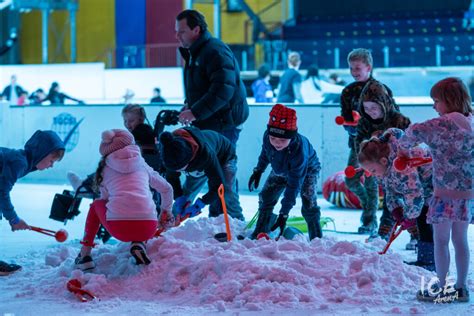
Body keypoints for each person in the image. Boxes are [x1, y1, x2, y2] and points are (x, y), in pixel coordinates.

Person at [397, 77, 473, 303]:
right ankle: (461, 287)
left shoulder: (438, 125)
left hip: (444, 194)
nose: (434, 106)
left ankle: (442, 287)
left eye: (436, 100)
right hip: (468, 194)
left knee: (441, 240)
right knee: (461, 240)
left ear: (448, 100)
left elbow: (409, 136)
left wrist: (403, 153)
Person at [75, 129, 174, 270]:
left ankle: (85, 255)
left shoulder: (105, 169)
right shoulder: (143, 165)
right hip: (148, 227)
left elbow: (105, 200)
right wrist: (166, 211)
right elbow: (167, 189)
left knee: (96, 205)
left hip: (119, 229)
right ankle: (139, 243)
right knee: (144, 204)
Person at [340, 49, 403, 236]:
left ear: (369, 67)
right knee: (350, 181)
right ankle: (369, 210)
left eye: (358, 68)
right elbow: (346, 119)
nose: (354, 72)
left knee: (371, 182)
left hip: (377, 145)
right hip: (357, 144)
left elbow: (394, 114)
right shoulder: (348, 91)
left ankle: (370, 221)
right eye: (351, 68)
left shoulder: (381, 89)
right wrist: (350, 127)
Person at [358, 128, 435, 271]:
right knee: (422, 219)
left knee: (423, 219)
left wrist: (409, 216)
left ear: (383, 160)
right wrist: (396, 209)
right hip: (424, 189)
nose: (372, 175)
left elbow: (414, 194)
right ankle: (427, 259)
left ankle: (430, 261)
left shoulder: (402, 165)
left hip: (436, 184)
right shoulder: (385, 169)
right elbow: (390, 191)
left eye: (373, 171)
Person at [248, 104, 322, 240]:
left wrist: (284, 214)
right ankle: (261, 231)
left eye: (282, 139)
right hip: (281, 168)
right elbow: (265, 153)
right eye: (273, 138)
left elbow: (294, 184)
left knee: (308, 202)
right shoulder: (268, 137)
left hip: (306, 171)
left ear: (292, 137)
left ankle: (316, 238)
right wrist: (258, 170)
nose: (277, 143)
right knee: (266, 196)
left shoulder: (299, 150)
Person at [175, 9, 249, 144]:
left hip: (223, 124)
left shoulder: (215, 51)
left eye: (182, 32)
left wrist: (195, 112)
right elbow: (201, 86)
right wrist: (190, 105)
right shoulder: (196, 52)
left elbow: (223, 90)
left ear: (196, 30)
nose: (177, 36)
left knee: (221, 164)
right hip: (211, 122)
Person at [1, 130, 65, 275]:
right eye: (51, 160)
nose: (51, 165)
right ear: (41, 153)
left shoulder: (22, 160)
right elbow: (2, 192)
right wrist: (13, 219)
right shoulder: (20, 162)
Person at [159, 127, 244, 221]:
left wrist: (202, 203)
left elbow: (218, 186)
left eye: (181, 169)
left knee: (227, 190)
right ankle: (172, 221)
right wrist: (178, 197)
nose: (179, 171)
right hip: (198, 162)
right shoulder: (170, 151)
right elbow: (172, 178)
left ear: (189, 160)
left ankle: (237, 220)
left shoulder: (205, 154)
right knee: (188, 193)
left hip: (224, 155)